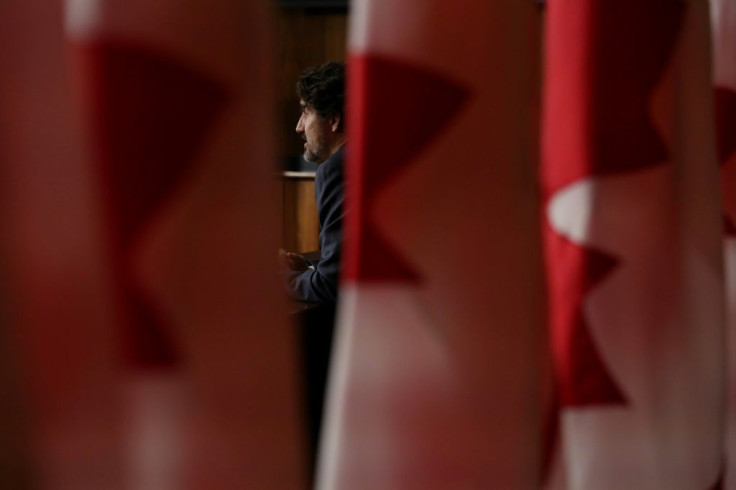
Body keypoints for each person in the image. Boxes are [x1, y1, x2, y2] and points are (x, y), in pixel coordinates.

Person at [281, 61, 346, 304]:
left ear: (334, 120)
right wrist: (309, 266)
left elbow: (330, 285)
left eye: (306, 112)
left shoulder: (336, 170)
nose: (299, 127)